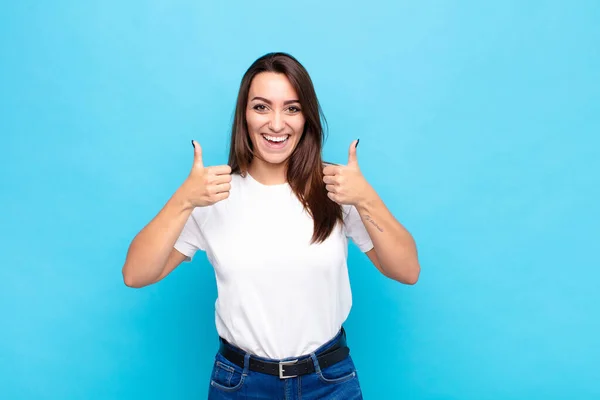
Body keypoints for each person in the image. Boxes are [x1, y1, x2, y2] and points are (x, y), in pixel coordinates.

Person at [122, 52, 420, 399]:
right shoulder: (212, 194)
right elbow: (135, 274)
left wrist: (366, 198)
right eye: (261, 107)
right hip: (241, 384)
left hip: (328, 381)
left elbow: (407, 270)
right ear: (244, 116)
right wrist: (183, 200)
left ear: (307, 117)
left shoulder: (337, 187)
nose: (276, 124)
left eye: (292, 108)